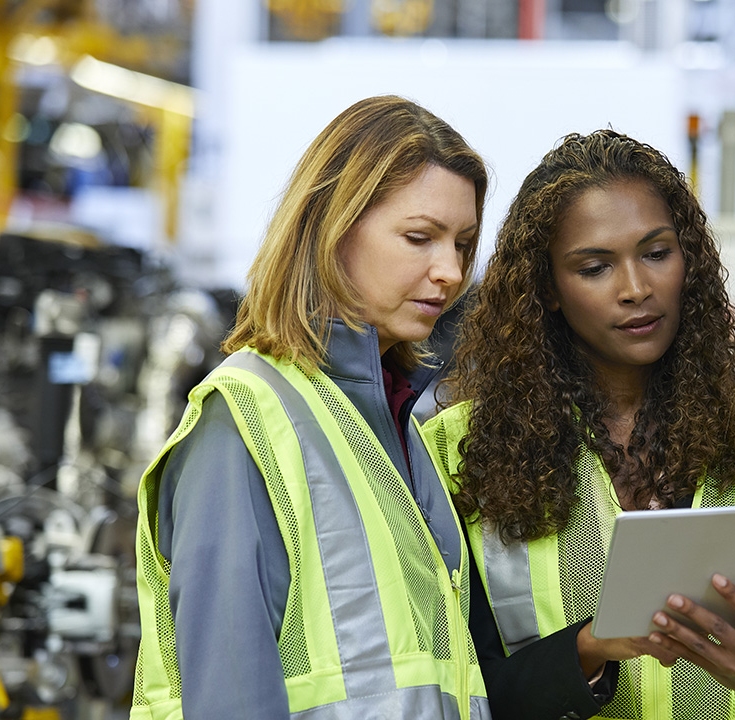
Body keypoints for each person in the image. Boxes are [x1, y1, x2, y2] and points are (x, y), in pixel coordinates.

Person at [422, 129, 735, 720]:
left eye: (656, 253)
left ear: (687, 258)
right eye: (595, 267)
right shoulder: (451, 453)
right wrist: (589, 649)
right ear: (546, 289)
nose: (636, 289)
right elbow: (456, 691)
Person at [130, 96, 492, 720]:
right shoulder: (243, 421)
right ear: (331, 227)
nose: (451, 271)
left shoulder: (402, 423)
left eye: (462, 243)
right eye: (419, 238)